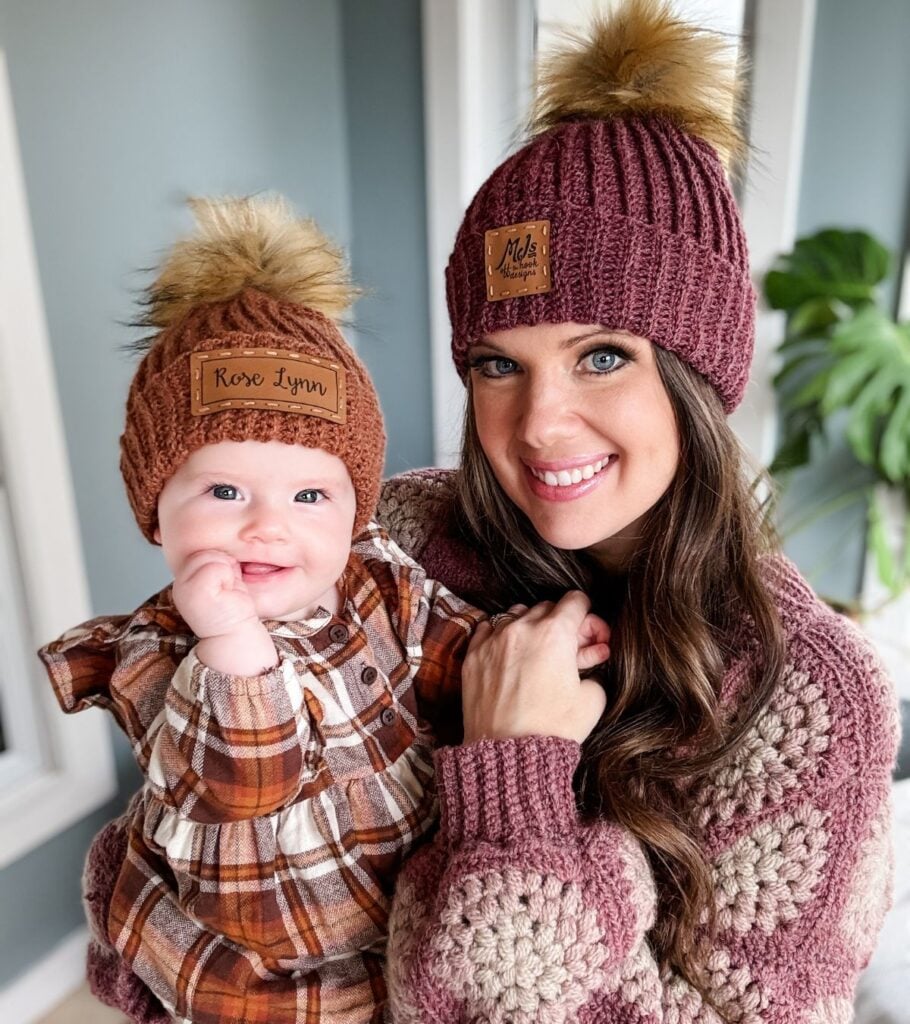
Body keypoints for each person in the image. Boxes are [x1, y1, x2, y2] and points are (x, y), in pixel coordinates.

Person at [376, 2, 900, 1021]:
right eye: (498, 365)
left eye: (602, 356)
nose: (539, 424)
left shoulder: (811, 702)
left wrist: (517, 786)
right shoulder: (404, 542)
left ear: (699, 376)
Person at [37, 195, 609, 1024]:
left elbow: (452, 651)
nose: (267, 524)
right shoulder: (163, 653)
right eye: (224, 490)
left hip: (398, 929)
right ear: (155, 511)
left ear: (354, 514)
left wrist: (540, 640)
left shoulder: (380, 579)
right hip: (272, 975)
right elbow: (243, 786)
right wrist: (233, 643)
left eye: (310, 494)